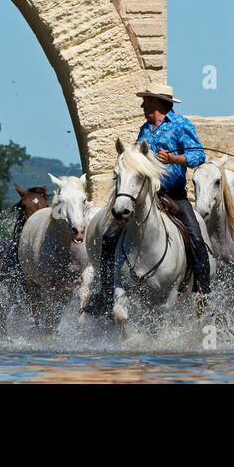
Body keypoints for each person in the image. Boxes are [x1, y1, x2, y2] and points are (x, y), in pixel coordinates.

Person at [86, 85, 210, 315]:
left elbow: (199, 155)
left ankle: (203, 293)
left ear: (159, 103)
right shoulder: (144, 130)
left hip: (174, 194)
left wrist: (174, 158)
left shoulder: (182, 125)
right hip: (146, 196)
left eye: (147, 101)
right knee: (109, 236)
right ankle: (105, 293)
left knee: (195, 235)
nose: (143, 105)